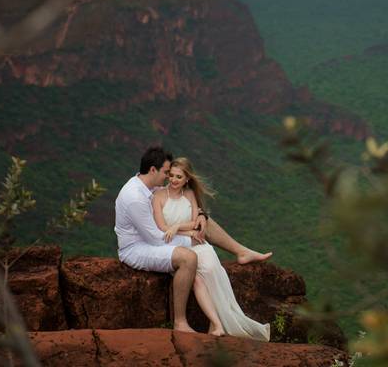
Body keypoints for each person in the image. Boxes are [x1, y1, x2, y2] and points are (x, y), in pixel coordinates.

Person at [114, 146, 272, 335]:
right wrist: (193, 237)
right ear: (153, 170)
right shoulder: (134, 197)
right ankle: (180, 322)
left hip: (155, 237)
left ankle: (241, 251)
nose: (168, 178)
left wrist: (201, 216)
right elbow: (156, 238)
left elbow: (184, 205)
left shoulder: (148, 185)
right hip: (138, 247)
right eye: (166, 172)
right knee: (188, 258)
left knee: (203, 223)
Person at [152, 156, 271, 341]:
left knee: (213, 271)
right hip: (176, 247)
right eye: (172, 176)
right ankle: (217, 324)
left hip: (198, 246)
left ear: (187, 179)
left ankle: (215, 325)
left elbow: (195, 222)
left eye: (179, 177)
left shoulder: (190, 194)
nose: (174, 180)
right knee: (199, 279)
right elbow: (161, 227)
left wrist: (177, 227)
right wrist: (186, 232)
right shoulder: (159, 196)